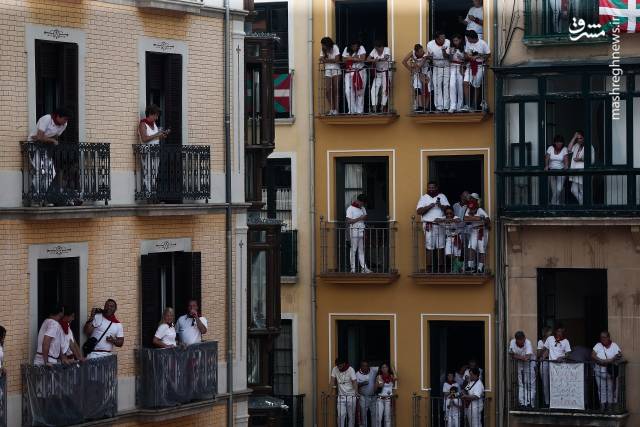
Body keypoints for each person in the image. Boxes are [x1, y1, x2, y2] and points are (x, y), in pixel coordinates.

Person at [28, 107, 75, 206]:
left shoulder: (64, 125)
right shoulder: (47, 119)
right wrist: (51, 140)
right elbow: (40, 137)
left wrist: (45, 138)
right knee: (40, 171)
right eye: (65, 119)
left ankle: (41, 196)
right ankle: (34, 197)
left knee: (51, 173)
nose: (65, 121)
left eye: (67, 120)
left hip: (45, 148)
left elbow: (50, 136)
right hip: (34, 147)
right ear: (58, 116)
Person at [417, 182, 450, 272]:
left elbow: (448, 210)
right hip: (429, 225)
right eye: (429, 187)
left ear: (436, 187)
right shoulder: (424, 197)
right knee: (429, 246)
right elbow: (419, 211)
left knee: (441, 246)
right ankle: (429, 267)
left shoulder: (442, 196)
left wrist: (440, 205)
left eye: (433, 187)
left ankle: (441, 267)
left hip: (440, 225)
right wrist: (430, 206)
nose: (431, 189)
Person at [592, 331, 622, 408]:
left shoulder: (614, 345)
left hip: (609, 371)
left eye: (604, 337)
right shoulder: (598, 345)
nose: (603, 339)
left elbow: (619, 355)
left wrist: (611, 360)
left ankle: (609, 406)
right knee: (601, 389)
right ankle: (602, 406)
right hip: (599, 370)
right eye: (601, 337)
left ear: (608, 337)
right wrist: (601, 360)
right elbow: (593, 355)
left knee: (610, 389)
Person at [463, 30, 490, 111]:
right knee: (465, 83)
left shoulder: (483, 43)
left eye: (468, 39)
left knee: (476, 86)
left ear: (473, 38)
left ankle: (474, 105)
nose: (467, 40)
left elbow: (488, 54)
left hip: (479, 66)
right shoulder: (468, 42)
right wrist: (468, 56)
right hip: (470, 65)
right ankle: (467, 104)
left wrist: (478, 56)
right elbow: (466, 53)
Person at [463, 193, 490, 273]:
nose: (471, 200)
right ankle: (471, 266)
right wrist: (478, 218)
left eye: (473, 199)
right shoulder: (468, 209)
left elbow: (487, 220)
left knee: (482, 249)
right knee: (471, 247)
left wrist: (472, 218)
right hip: (474, 231)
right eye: (470, 198)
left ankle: (480, 267)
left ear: (476, 200)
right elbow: (465, 219)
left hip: (481, 231)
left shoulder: (480, 210)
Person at [509, 331, 536, 407]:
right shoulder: (512, 342)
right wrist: (521, 357)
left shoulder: (528, 342)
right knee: (521, 384)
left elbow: (527, 357)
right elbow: (511, 354)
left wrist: (517, 356)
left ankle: (530, 403)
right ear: (517, 340)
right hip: (520, 365)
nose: (523, 341)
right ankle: (522, 403)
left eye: (524, 339)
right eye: (521, 340)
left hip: (530, 365)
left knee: (531, 384)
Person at [346, 194, 371, 273]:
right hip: (354, 231)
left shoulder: (362, 208)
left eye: (363, 204)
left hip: (361, 230)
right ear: (358, 201)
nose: (362, 205)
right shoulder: (350, 208)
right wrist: (360, 218)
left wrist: (364, 217)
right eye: (362, 203)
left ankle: (364, 268)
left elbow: (365, 216)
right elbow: (349, 221)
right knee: (353, 250)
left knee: (361, 250)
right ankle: (352, 268)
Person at [402, 44, 431, 112]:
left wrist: (414, 62)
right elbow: (404, 61)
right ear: (416, 52)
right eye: (420, 51)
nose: (422, 51)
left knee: (428, 88)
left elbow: (420, 65)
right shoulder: (412, 53)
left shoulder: (425, 54)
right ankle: (420, 106)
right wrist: (411, 70)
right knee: (417, 87)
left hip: (426, 71)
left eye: (422, 50)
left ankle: (426, 107)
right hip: (417, 72)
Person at [330, 357, 358, 427]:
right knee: (340, 415)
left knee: (351, 416)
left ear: (344, 364)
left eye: (340, 366)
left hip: (351, 396)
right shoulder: (335, 369)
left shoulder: (351, 369)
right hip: (341, 397)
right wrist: (329, 392)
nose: (339, 367)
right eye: (338, 366)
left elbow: (354, 382)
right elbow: (332, 381)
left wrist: (356, 392)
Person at [427, 31, 451, 112]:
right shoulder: (430, 44)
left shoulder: (448, 42)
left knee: (446, 86)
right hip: (436, 67)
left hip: (447, 66)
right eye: (442, 38)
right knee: (437, 86)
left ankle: (446, 106)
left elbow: (447, 57)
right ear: (436, 39)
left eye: (444, 37)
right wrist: (429, 57)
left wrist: (443, 51)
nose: (444, 39)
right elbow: (430, 57)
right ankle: (438, 106)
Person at [342, 41, 367, 115]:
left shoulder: (361, 48)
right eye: (353, 46)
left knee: (360, 91)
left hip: (360, 72)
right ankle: (352, 111)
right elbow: (343, 60)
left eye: (356, 46)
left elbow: (363, 58)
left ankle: (359, 111)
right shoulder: (346, 49)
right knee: (348, 91)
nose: (354, 47)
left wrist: (350, 58)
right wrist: (355, 58)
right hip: (349, 72)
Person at [436, 206, 463, 273]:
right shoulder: (444, 218)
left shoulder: (456, 217)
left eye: (450, 213)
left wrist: (451, 220)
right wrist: (445, 220)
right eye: (447, 213)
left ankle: (455, 270)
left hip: (457, 237)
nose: (449, 215)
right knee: (448, 254)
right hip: (449, 238)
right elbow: (436, 220)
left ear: (453, 213)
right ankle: (460, 265)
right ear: (445, 214)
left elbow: (458, 220)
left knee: (457, 255)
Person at [368, 41, 392, 113]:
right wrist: (374, 60)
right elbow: (367, 59)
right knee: (373, 90)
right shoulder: (374, 50)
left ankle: (383, 107)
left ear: (381, 47)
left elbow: (386, 58)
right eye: (376, 49)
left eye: (378, 49)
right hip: (377, 73)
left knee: (385, 90)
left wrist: (378, 59)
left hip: (385, 72)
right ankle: (374, 107)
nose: (377, 50)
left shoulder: (386, 49)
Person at [320, 37, 342, 115]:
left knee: (336, 90)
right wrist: (329, 60)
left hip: (336, 70)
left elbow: (337, 59)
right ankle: (332, 108)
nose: (323, 46)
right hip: (328, 71)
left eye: (323, 45)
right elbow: (321, 58)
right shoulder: (323, 50)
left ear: (327, 44)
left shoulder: (335, 47)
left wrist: (327, 60)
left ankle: (337, 110)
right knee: (328, 91)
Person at [545, 135, 569, 205]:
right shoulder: (550, 148)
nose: (559, 144)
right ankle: (556, 206)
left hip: (561, 171)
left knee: (559, 189)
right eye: (557, 142)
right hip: (551, 171)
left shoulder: (564, 149)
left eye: (561, 142)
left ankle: (552, 204)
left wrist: (566, 166)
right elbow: (547, 158)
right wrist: (546, 166)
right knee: (554, 191)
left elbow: (566, 160)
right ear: (554, 142)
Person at [567, 130, 588, 205]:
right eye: (578, 138)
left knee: (583, 191)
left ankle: (584, 206)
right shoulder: (576, 145)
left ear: (584, 138)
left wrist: (580, 159)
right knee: (573, 190)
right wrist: (574, 137)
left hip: (583, 172)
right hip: (575, 171)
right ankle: (583, 204)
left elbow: (591, 160)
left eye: (581, 138)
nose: (579, 140)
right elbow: (568, 150)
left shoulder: (589, 146)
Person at [356, 360, 378, 427]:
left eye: (366, 366)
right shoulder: (357, 374)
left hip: (373, 397)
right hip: (363, 397)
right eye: (363, 366)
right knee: (363, 415)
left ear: (369, 366)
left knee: (374, 414)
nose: (365, 367)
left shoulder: (373, 370)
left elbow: (383, 368)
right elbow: (354, 385)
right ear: (361, 366)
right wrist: (362, 384)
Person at [448, 35, 466, 113]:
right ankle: (453, 106)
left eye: (456, 40)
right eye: (454, 40)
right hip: (452, 67)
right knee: (452, 85)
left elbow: (466, 59)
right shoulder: (451, 48)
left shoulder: (464, 48)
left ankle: (460, 106)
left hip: (460, 67)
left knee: (460, 87)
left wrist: (462, 58)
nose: (455, 42)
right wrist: (452, 54)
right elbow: (449, 59)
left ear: (460, 40)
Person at [376, 363, 395, 427]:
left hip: (388, 399)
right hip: (380, 399)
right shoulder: (379, 376)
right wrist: (384, 379)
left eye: (386, 367)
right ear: (381, 369)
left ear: (388, 368)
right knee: (379, 417)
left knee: (387, 417)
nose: (384, 369)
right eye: (383, 368)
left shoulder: (391, 376)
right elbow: (380, 385)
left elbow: (396, 378)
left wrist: (393, 369)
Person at [537, 326, 553, 405]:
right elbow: (539, 354)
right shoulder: (541, 342)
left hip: (552, 363)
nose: (551, 334)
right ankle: (547, 402)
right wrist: (545, 347)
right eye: (549, 332)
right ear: (545, 333)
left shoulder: (554, 341)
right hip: (544, 363)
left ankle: (554, 401)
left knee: (553, 382)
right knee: (545, 384)